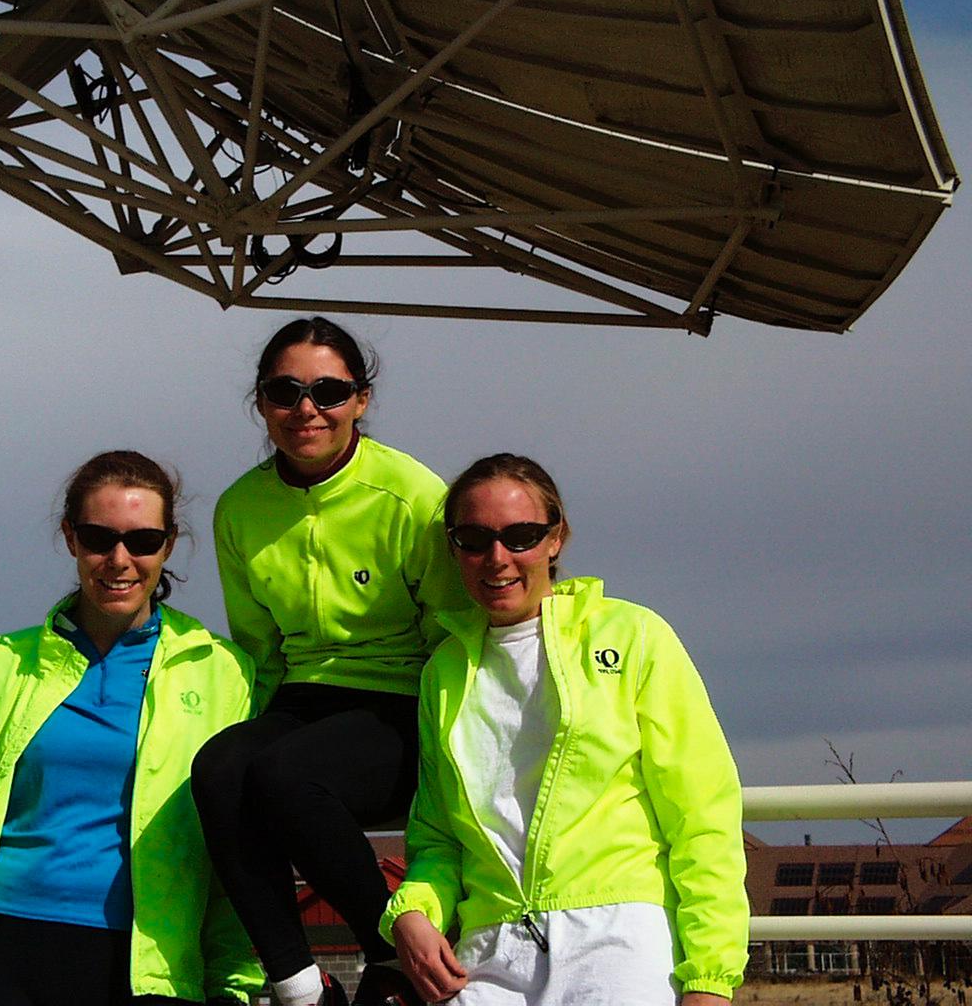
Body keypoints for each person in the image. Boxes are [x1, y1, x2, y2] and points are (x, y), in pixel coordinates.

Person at [0, 451, 262, 1006]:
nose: (119, 559)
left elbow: (239, 846)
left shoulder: (223, 672)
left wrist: (234, 982)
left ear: (169, 543)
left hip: (150, 965)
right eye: (97, 537)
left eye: (141, 541)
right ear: (70, 538)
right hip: (2, 946)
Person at [382, 453, 749, 1006]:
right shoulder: (445, 671)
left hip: (618, 940)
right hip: (489, 950)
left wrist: (709, 980)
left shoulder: (634, 636)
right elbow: (438, 836)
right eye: (474, 539)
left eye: (521, 536)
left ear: (557, 538)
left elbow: (702, 818)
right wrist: (413, 909)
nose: (498, 558)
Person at [191, 318, 469, 1006]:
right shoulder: (239, 509)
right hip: (305, 695)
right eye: (285, 392)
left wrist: (455, 756)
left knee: (287, 775)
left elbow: (453, 636)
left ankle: (391, 950)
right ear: (261, 403)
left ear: (362, 400)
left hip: (403, 696)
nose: (306, 410)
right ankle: (296, 984)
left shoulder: (412, 495)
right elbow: (259, 651)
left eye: (328, 392)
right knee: (220, 767)